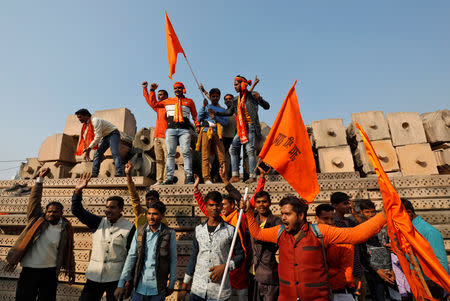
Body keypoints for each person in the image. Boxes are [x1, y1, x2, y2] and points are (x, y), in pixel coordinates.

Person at [241, 195, 387, 301]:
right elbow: (257, 233)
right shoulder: (280, 232)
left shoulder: (320, 232)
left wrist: (384, 215)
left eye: (288, 214)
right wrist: (248, 211)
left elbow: (356, 234)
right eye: (282, 214)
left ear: (301, 215)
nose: (283, 218)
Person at [5, 167, 75, 301]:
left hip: (50, 273)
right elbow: (34, 201)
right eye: (49, 211)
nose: (51, 214)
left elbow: (69, 250)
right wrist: (39, 180)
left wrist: (71, 270)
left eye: (55, 212)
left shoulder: (65, 228)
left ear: (61, 213)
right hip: (29, 271)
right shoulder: (37, 221)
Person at [71, 173, 135, 301]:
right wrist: (78, 191)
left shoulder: (129, 227)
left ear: (121, 209)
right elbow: (77, 211)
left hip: (116, 278)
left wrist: (128, 281)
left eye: (112, 207)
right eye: (106, 207)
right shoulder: (98, 222)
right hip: (94, 276)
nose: (108, 210)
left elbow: (132, 256)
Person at [178, 191, 245, 301]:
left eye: (217, 205)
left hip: (219, 291)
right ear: (206, 206)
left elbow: (241, 255)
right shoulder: (199, 230)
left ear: (221, 206)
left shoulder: (231, 230)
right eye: (211, 205)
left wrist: (225, 267)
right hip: (197, 290)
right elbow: (193, 258)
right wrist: (184, 286)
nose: (215, 208)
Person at [193, 174, 249, 300]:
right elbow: (204, 206)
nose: (219, 208)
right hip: (217, 269)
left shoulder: (239, 216)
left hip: (237, 267)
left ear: (232, 206)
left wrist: (225, 181)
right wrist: (196, 190)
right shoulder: (218, 219)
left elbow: (241, 199)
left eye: (223, 205)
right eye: (217, 205)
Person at [114, 200, 177, 301]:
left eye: (155, 214)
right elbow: (131, 257)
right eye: (149, 213)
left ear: (162, 215)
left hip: (157, 288)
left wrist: (172, 283)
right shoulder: (139, 231)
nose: (151, 217)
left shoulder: (169, 233)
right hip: (139, 287)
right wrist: (121, 283)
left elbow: (173, 259)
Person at [214, 75, 269, 184]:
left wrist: (260, 99)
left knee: (249, 150)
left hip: (251, 127)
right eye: (234, 85)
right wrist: (217, 113)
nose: (234, 87)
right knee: (233, 149)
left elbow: (267, 106)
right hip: (241, 128)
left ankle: (253, 176)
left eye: (236, 84)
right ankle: (235, 175)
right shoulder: (235, 99)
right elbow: (229, 112)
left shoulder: (253, 96)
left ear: (242, 84)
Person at [146, 81, 200, 185]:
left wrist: (197, 125)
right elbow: (154, 104)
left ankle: (189, 177)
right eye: (175, 88)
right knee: (171, 154)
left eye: (179, 88)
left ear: (183, 89)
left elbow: (195, 115)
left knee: (186, 152)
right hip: (171, 130)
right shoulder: (168, 101)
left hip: (184, 130)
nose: (177, 90)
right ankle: (169, 178)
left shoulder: (189, 101)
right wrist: (152, 90)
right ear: (173, 90)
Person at [401, 198, 449, 300]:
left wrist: (441, 284)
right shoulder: (408, 230)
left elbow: (440, 260)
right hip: (417, 282)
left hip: (431, 283)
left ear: (409, 213)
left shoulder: (429, 231)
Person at [356, 199, 400, 301]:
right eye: (367, 212)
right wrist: (376, 270)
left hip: (389, 269)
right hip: (373, 271)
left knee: (396, 297)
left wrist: (393, 269)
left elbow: (393, 248)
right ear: (361, 212)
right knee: (378, 297)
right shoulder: (360, 229)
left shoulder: (384, 226)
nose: (371, 215)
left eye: (373, 211)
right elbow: (363, 254)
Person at [315, 204, 355, 301]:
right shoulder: (309, 238)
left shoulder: (343, 239)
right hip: (316, 291)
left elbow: (346, 273)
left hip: (339, 291)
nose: (329, 223)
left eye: (332, 219)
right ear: (316, 218)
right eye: (325, 219)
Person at [247, 190, 282, 301]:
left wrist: (260, 234)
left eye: (264, 201)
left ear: (270, 203)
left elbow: (273, 245)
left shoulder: (276, 221)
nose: (261, 204)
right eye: (258, 202)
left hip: (268, 275)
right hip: (253, 273)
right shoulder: (254, 219)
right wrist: (225, 181)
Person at [75, 108, 125, 177]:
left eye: (80, 117)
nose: (79, 119)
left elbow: (98, 137)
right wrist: (88, 148)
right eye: (78, 117)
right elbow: (93, 137)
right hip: (105, 136)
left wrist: (89, 148)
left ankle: (119, 172)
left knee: (114, 152)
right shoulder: (87, 124)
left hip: (113, 134)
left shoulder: (95, 121)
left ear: (86, 115)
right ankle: (94, 174)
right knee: (97, 153)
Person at [196, 87, 228, 184]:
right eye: (213, 96)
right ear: (210, 97)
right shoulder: (206, 107)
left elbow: (226, 122)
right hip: (206, 131)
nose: (214, 98)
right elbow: (198, 118)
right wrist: (203, 107)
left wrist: (216, 118)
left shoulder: (222, 110)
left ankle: (224, 176)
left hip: (217, 133)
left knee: (221, 156)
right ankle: (206, 178)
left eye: (216, 96)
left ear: (219, 97)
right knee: (205, 155)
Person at [331, 192, 363, 288]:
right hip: (342, 271)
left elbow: (365, 229)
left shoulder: (350, 222)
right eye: (345, 204)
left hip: (356, 268)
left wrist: (354, 213)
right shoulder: (332, 223)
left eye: (348, 203)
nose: (348, 206)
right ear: (335, 205)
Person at [124, 161, 167, 228]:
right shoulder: (141, 213)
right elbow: (134, 196)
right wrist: (128, 174)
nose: (150, 201)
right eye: (148, 199)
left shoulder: (162, 219)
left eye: (152, 199)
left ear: (158, 200)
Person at [142, 82, 169, 185]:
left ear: (166, 96)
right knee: (159, 159)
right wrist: (147, 89)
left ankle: (166, 179)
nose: (159, 96)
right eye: (158, 95)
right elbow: (150, 101)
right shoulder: (158, 107)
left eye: (161, 94)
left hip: (166, 136)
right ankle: (159, 180)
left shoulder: (169, 106)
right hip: (157, 136)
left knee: (167, 159)